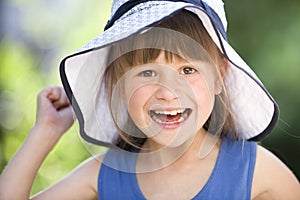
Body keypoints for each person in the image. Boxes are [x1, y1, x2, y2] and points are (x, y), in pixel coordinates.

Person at [0, 0, 299, 199]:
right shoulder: (105, 174)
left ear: (219, 75)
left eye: (187, 69)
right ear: (118, 82)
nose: (168, 92)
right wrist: (45, 132)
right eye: (147, 73)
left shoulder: (254, 168)